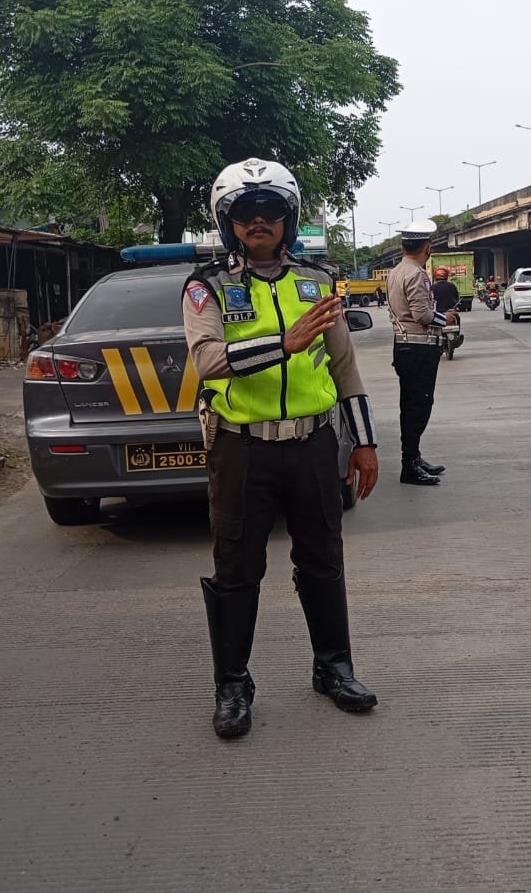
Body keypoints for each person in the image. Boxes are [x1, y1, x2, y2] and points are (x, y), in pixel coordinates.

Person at [183, 158, 380, 739]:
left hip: (313, 445)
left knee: (323, 557)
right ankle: (233, 685)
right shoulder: (207, 288)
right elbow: (207, 361)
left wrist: (363, 444)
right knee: (237, 567)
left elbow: (345, 368)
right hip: (242, 448)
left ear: (290, 219)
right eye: (246, 213)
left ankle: (334, 667)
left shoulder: (317, 283)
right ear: (229, 224)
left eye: (271, 211)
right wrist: (285, 343)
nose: (259, 221)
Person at [386, 219, 447, 487]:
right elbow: (422, 315)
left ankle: (413, 456)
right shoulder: (416, 274)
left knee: (410, 405)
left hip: (405, 345)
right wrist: (447, 319)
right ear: (427, 247)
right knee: (419, 406)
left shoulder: (396, 271)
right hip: (419, 347)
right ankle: (409, 464)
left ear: (402, 246)